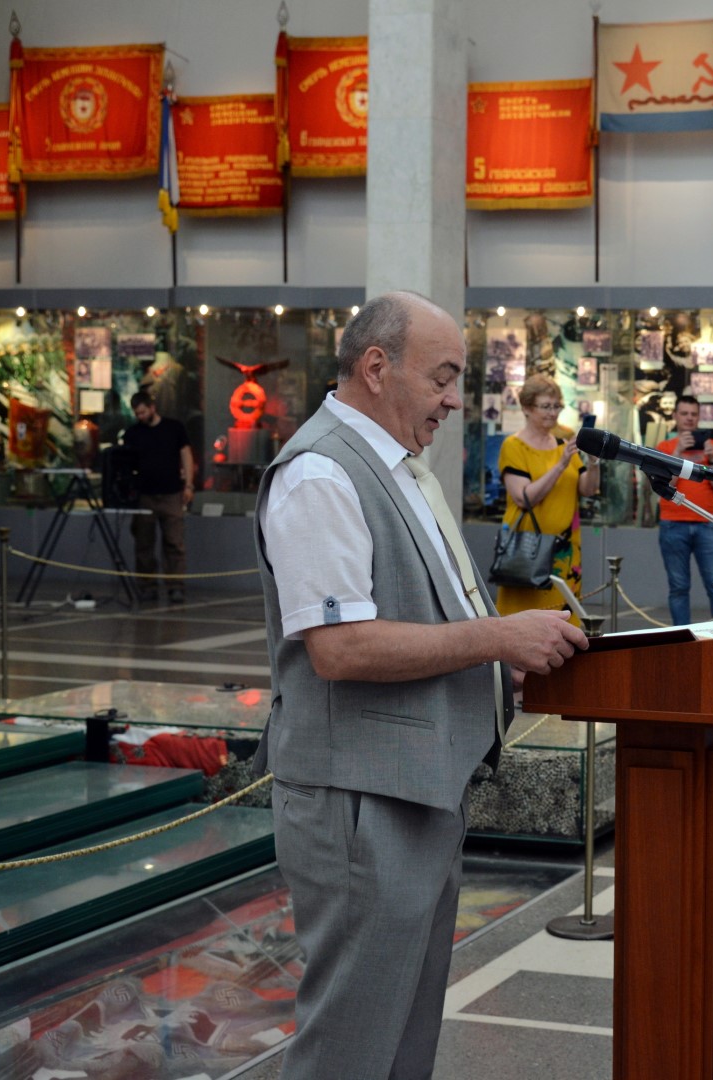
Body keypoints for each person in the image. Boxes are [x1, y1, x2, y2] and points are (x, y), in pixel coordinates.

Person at [251, 291, 587, 1080]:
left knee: (401, 1039)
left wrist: (500, 659)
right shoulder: (321, 473)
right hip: (360, 802)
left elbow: (427, 612)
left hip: (416, 790)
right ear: (376, 367)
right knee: (351, 1044)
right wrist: (499, 637)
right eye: (442, 377)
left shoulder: (398, 467)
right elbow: (340, 648)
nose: (453, 399)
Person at [495, 376, 600, 625]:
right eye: (546, 406)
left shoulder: (564, 444)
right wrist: (560, 464)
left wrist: (594, 462)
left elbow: (588, 489)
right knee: (523, 627)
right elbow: (523, 498)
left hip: (564, 552)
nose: (553, 413)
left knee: (564, 624)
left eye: (556, 406)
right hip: (528, 552)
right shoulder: (513, 446)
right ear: (527, 408)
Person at [656, 394, 713, 624]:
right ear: (675, 416)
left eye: (693, 414)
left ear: (699, 417)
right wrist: (677, 453)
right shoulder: (664, 447)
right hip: (672, 523)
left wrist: (712, 459)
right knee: (678, 587)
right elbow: (664, 486)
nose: (689, 418)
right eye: (684, 413)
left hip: (706, 523)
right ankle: (682, 639)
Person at [122, 390, 194, 603]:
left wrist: (189, 485)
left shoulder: (174, 428)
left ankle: (176, 586)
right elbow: (126, 463)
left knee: (174, 543)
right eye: (137, 413)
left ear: (152, 407)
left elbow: (186, 455)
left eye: (143, 412)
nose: (140, 416)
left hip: (171, 493)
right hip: (145, 495)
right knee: (144, 544)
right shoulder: (133, 433)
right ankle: (147, 586)